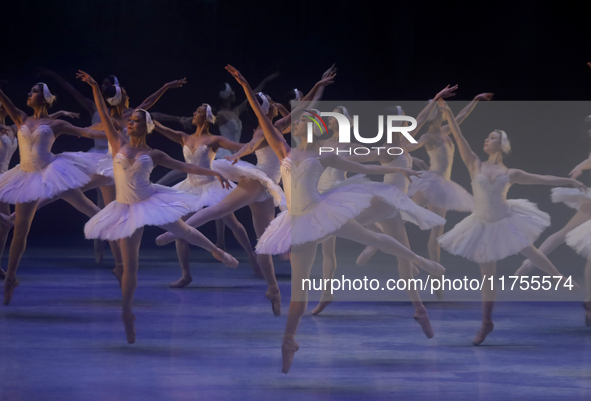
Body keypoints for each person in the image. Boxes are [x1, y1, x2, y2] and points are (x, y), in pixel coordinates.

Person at [77, 70, 238, 343]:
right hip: (125, 207)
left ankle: (216, 250)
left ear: (145, 126)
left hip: (150, 200)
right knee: (131, 265)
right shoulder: (116, 142)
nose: (129, 124)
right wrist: (94, 86)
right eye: (130, 121)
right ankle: (127, 311)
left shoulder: (154, 154)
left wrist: (216, 174)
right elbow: (104, 114)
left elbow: (186, 166)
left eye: (136, 121)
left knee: (184, 230)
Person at [436, 100, 584, 345]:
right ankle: (486, 322)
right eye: (486, 137)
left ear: (501, 145)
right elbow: (459, 135)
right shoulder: (474, 163)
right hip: (482, 224)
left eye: (492, 137)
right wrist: (449, 112)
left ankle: (557, 277)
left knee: (530, 251)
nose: (486, 140)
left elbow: (541, 179)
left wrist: (568, 181)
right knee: (488, 275)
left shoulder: (510, 173)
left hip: (505, 218)